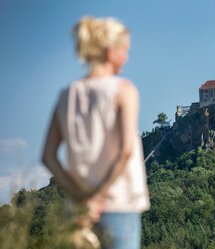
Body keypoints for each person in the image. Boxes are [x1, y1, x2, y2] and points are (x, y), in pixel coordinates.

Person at [41, 16, 150, 249]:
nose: (127, 57)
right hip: (119, 204)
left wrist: (81, 196)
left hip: (79, 210)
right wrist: (97, 197)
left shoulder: (66, 95)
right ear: (111, 52)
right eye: (125, 50)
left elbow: (48, 156)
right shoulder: (124, 90)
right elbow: (125, 152)